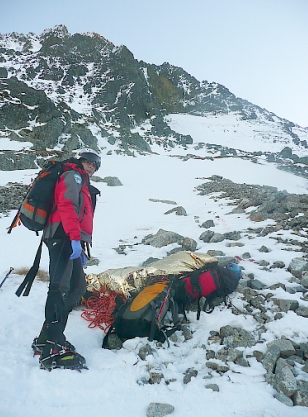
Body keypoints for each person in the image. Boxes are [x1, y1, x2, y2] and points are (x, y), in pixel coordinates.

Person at [32, 149, 101, 371]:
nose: (91, 166)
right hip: (62, 236)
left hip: (70, 238)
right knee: (59, 288)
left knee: (77, 287)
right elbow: (66, 206)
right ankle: (51, 349)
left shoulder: (81, 180)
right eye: (88, 162)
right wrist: (73, 238)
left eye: (95, 165)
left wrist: (79, 243)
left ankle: (48, 337)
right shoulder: (73, 176)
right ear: (80, 161)